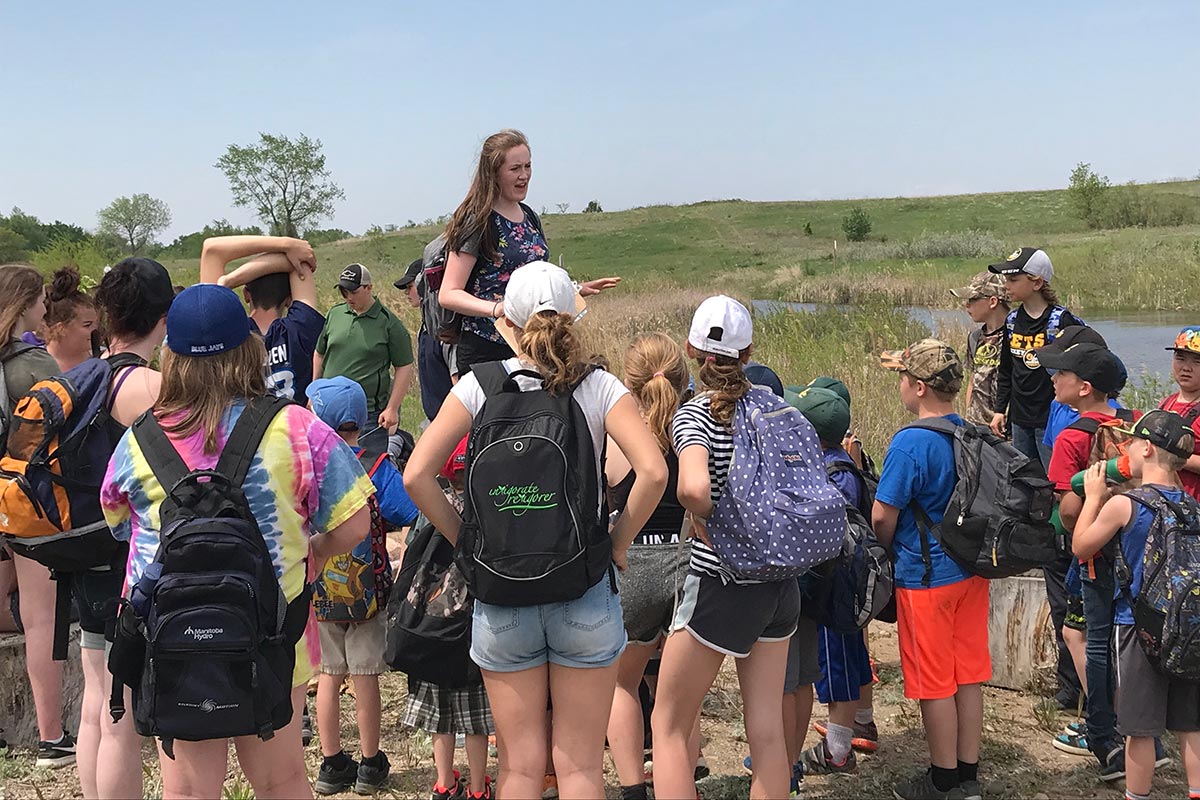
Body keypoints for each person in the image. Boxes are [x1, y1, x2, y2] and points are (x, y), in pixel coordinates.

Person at [404, 262, 666, 800]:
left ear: (510, 322)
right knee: (581, 770)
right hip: (583, 588)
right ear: (574, 317)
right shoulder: (599, 386)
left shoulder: (479, 386)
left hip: (501, 594)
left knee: (521, 769)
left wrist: (464, 543)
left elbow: (416, 475)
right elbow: (655, 471)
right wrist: (617, 542)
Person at [101, 283, 373, 799]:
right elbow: (356, 523)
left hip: (170, 641)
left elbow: (119, 521)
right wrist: (313, 550)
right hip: (274, 634)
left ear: (170, 357)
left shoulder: (137, 439)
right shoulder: (296, 428)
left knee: (186, 788)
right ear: (250, 349)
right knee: (282, 779)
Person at [651, 295, 799, 800]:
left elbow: (693, 487)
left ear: (693, 350)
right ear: (749, 351)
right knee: (766, 731)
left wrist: (714, 519)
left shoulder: (695, 415)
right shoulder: (775, 405)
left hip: (723, 581)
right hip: (780, 582)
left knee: (669, 726)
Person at [76, 257, 176, 799]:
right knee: (123, 715)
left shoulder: (80, 376)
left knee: (98, 698)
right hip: (126, 561)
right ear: (164, 317)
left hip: (77, 551)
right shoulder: (150, 388)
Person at [875, 338, 988, 800]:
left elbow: (884, 514)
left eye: (903, 377)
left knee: (935, 682)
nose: (900, 385)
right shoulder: (970, 433)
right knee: (967, 675)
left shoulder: (909, 444)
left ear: (919, 387)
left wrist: (885, 553)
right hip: (971, 572)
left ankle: (942, 781)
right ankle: (968, 772)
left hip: (925, 578)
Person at [1071, 411, 1199, 800]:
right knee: (1190, 724)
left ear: (1146, 448)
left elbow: (1081, 547)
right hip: (1189, 628)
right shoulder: (1193, 507)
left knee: (1139, 730)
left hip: (1138, 627)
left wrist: (1093, 498)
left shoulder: (1127, 504)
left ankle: (1137, 796)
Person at [305, 376, 417, 796]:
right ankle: (371, 762)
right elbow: (407, 511)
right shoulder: (375, 466)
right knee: (366, 674)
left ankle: (331, 762)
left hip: (321, 589)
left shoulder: (311, 466)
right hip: (369, 592)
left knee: (330, 674)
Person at [437, 129, 618, 376]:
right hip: (489, 349)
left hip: (536, 347)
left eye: (528, 166)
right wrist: (497, 309)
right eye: (515, 169)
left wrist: (574, 290)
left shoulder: (529, 216)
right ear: (494, 173)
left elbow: (538, 279)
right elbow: (449, 294)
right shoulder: (477, 221)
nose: (524, 176)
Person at [1041, 341, 1142, 779]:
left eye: (1060, 374)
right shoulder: (1137, 425)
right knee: (1130, 640)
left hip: (1095, 554)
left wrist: (1078, 507)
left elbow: (1065, 511)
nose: (1053, 379)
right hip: (1140, 553)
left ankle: (1107, 736)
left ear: (1083, 388)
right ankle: (1143, 732)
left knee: (1091, 639)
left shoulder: (1072, 436)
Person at [603, 332, 690, 800]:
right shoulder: (695, 430)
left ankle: (634, 786)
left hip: (633, 562)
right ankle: (685, 774)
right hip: (686, 562)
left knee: (622, 683)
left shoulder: (619, 435)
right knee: (681, 696)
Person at [0, 264, 74, 767]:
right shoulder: (33, 365)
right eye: (42, 299)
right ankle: (51, 736)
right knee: (41, 616)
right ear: (25, 302)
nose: (46, 308)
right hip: (25, 500)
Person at [401, 437, 495, 800]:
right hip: (470, 626)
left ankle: (444, 782)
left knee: (441, 717)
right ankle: (476, 787)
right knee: (475, 717)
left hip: (431, 625)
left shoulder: (430, 506)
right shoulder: (483, 508)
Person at [789, 386, 875, 775]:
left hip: (833, 589)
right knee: (850, 659)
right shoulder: (842, 462)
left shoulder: (834, 473)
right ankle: (846, 732)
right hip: (843, 588)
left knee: (836, 665)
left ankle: (838, 749)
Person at [988, 247, 1084, 467]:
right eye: (1005, 279)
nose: (1006, 285)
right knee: (1025, 480)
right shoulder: (1012, 320)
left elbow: (1080, 369)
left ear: (1037, 283)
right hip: (1020, 419)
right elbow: (1006, 369)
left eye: (1013, 279)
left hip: (1051, 418)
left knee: (1054, 480)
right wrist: (999, 410)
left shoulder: (1061, 321)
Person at [199, 234, 323, 401]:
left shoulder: (225, 330)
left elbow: (211, 249)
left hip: (241, 427)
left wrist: (229, 281)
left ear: (246, 294)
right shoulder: (302, 327)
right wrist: (291, 248)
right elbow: (302, 263)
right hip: (292, 425)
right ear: (289, 299)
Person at [314, 263, 414, 449]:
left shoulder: (389, 324)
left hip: (366, 415)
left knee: (368, 472)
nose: (348, 297)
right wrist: (315, 391)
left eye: (353, 291)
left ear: (369, 288)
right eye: (344, 292)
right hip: (328, 410)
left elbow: (404, 366)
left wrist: (392, 408)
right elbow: (320, 353)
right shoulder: (335, 314)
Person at [395, 257, 453, 421]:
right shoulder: (426, 325)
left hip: (450, 421)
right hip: (435, 419)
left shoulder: (444, 327)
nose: (406, 292)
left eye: (409, 286)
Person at [951, 271, 1009, 427]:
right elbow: (973, 380)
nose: (967, 305)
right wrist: (968, 420)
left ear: (993, 301)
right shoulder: (975, 337)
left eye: (973, 299)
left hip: (1005, 429)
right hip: (976, 429)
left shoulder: (1015, 337)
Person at [1157, 326, 1200, 502]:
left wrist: (1170, 455)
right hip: (1167, 508)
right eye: (1180, 358)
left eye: (1197, 361)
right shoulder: (1167, 402)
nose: (1186, 368)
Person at [43, 266, 99, 372]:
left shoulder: (104, 361)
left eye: (96, 324)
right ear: (60, 328)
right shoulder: (36, 365)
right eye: (87, 325)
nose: (95, 330)